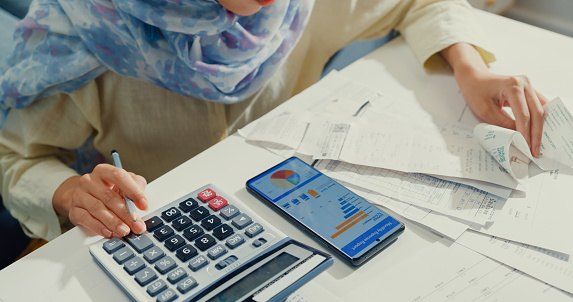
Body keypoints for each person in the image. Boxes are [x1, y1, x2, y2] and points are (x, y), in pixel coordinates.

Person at [0, 0, 547, 242]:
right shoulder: (82, 36)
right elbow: (13, 159)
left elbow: (419, 2)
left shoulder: (295, 5)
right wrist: (69, 192)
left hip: (298, 218)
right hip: (167, 245)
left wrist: (471, 71)